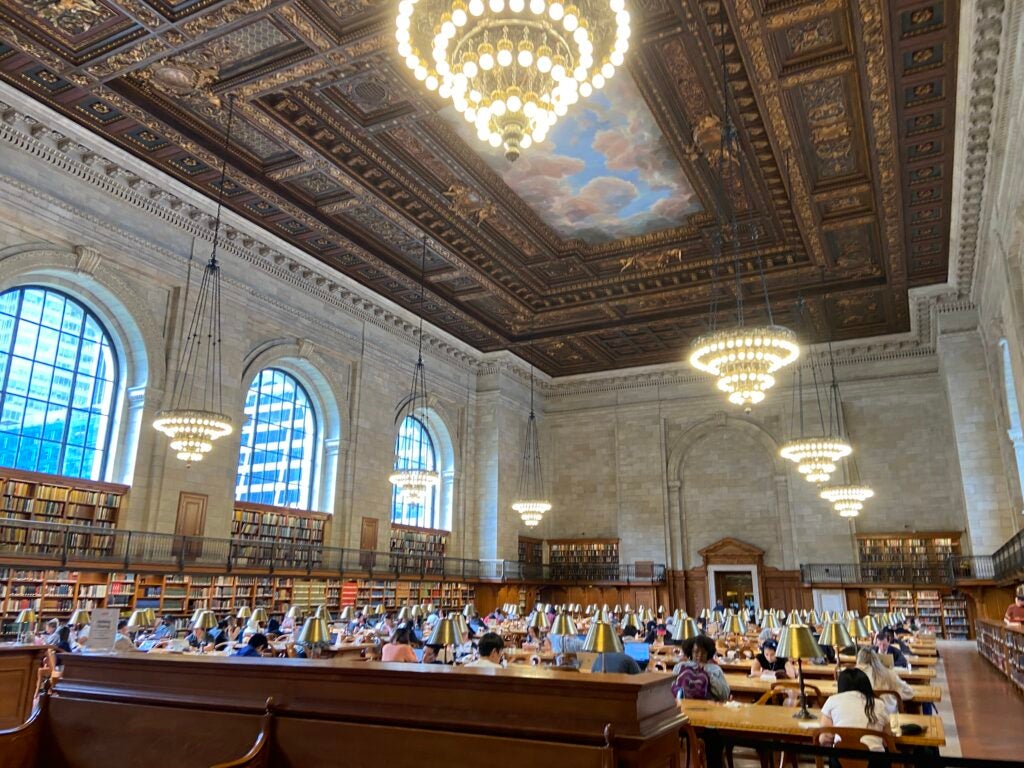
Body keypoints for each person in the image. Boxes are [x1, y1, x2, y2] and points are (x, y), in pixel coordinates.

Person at [819, 668, 892, 751]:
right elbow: (887, 741)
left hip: (841, 760)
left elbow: (823, 739)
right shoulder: (879, 704)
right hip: (874, 761)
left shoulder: (832, 701)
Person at [856, 647, 913, 714]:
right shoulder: (889, 674)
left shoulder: (851, 676)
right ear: (877, 658)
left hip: (861, 716)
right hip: (888, 717)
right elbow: (909, 692)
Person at [672, 636, 729, 701]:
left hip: (707, 707)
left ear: (708, 653)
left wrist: (709, 675)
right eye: (696, 652)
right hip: (683, 704)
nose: (700, 655)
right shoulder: (680, 666)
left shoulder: (715, 669)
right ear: (691, 652)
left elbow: (725, 695)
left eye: (704, 652)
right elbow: (670, 687)